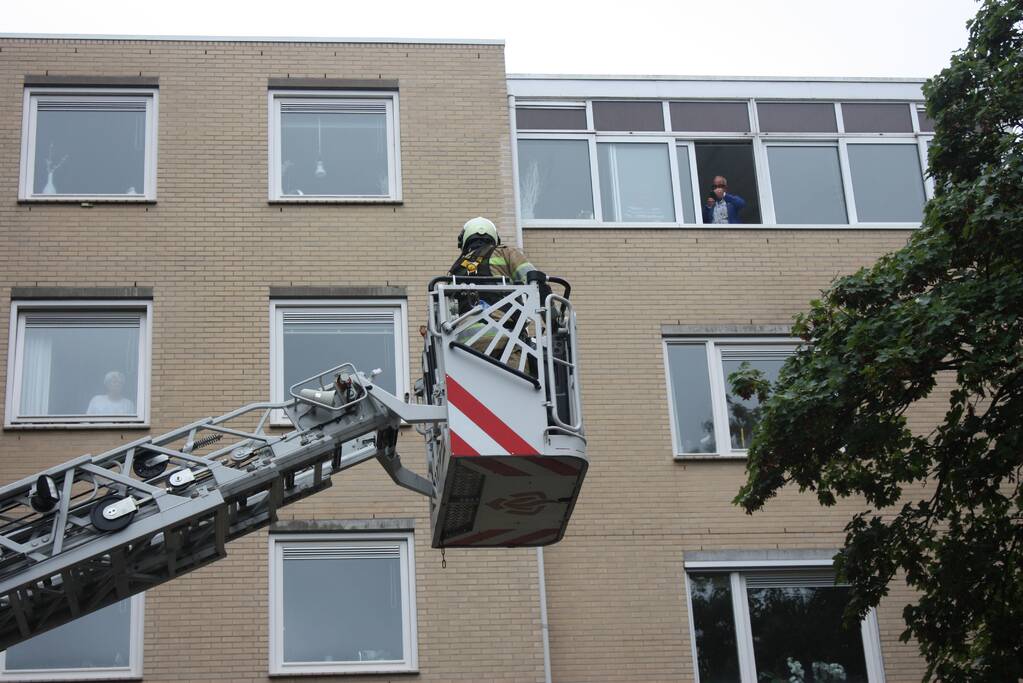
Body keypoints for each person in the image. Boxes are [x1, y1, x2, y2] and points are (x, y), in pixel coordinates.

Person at [448, 217, 549, 366]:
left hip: (463, 345)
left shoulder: (454, 271)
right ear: (494, 237)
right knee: (519, 383)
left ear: (464, 240)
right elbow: (534, 281)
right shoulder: (505, 253)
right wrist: (553, 319)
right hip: (503, 337)